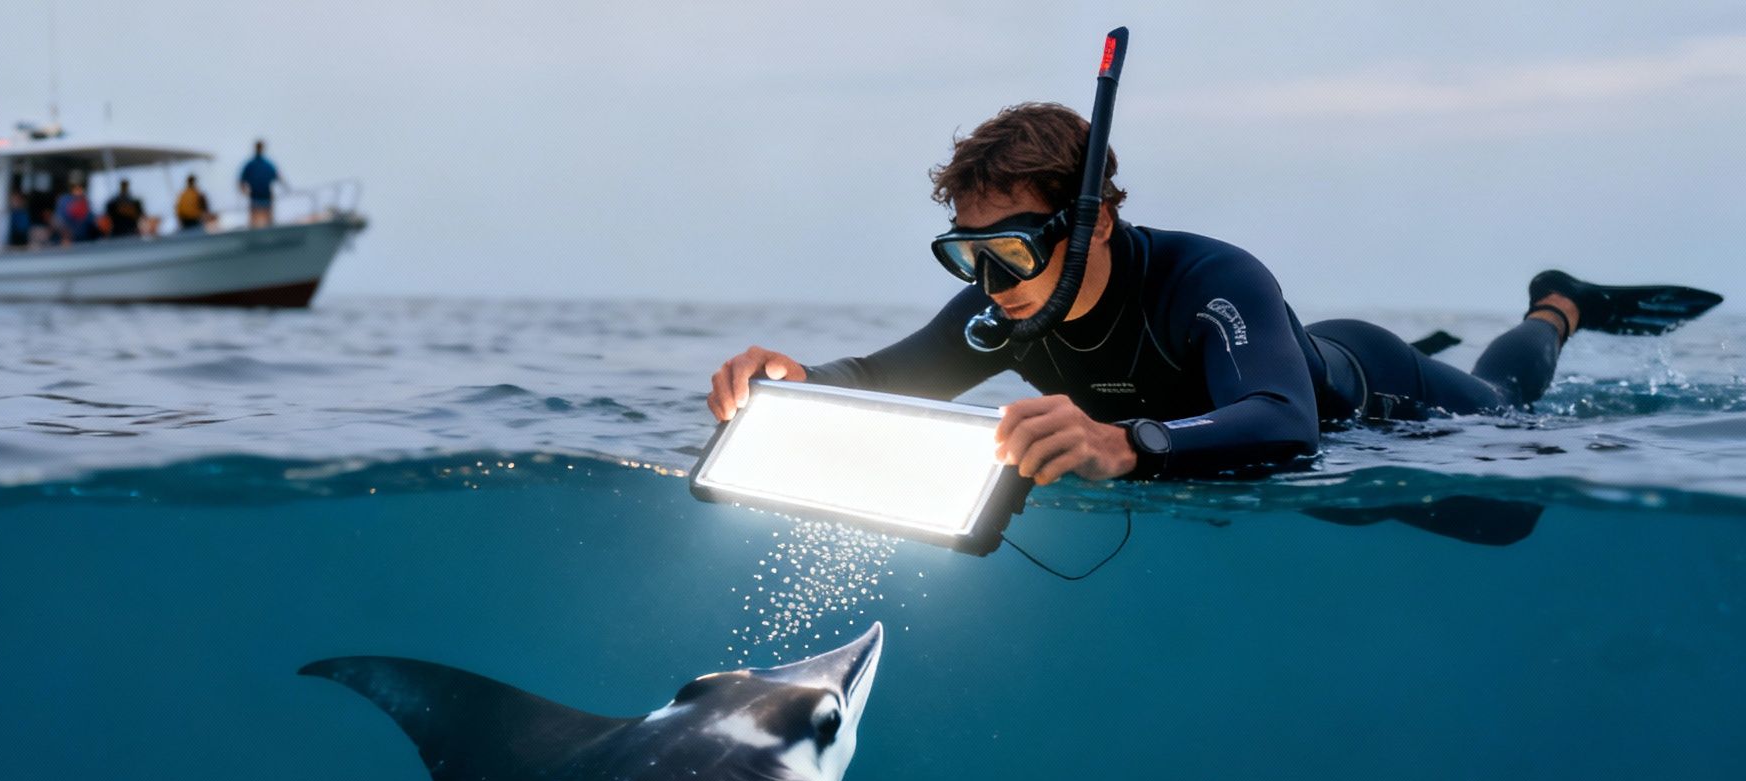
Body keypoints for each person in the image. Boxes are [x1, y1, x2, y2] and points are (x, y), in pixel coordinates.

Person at [707, 103, 1721, 483]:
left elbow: (1283, 424)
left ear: (1090, 223)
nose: (986, 281)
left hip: (1368, 397)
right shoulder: (998, 305)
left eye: (1008, 250)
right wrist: (797, 378)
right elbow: (888, 379)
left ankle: (1556, 305)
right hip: (1247, 408)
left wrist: (1128, 444)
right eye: (962, 253)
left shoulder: (1209, 279)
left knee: (1507, 423)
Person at [238, 140, 284, 228]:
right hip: (255, 198)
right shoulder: (250, 165)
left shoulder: (267, 164)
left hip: (266, 198)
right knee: (254, 223)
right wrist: (244, 192)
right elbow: (241, 182)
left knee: (269, 222)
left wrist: (287, 189)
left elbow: (278, 177)